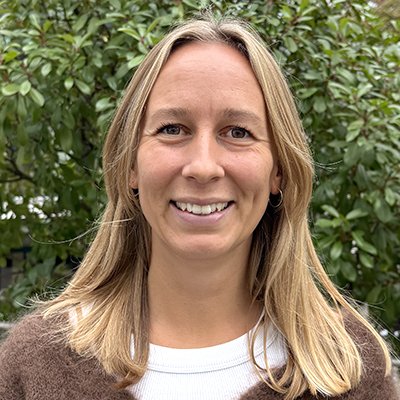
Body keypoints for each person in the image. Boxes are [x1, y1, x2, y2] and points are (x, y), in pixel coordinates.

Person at [0, 16, 398, 400]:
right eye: (172, 129)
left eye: (238, 132)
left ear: (278, 170)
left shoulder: (352, 370)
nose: (204, 167)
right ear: (130, 166)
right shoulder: (34, 367)